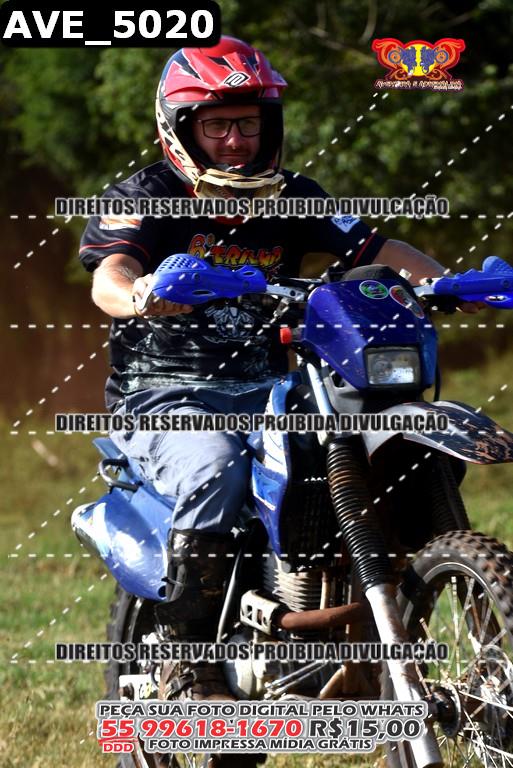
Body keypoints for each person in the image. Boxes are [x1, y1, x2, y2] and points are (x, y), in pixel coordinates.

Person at [79, 36, 460, 701]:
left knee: (378, 442)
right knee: (215, 466)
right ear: (180, 128)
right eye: (217, 125)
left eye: (249, 124)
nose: (236, 141)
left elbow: (378, 249)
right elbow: (108, 275)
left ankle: (387, 611)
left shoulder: (293, 195)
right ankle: (193, 665)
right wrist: (139, 294)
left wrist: (446, 283)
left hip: (272, 389)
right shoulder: (143, 194)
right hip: (166, 395)